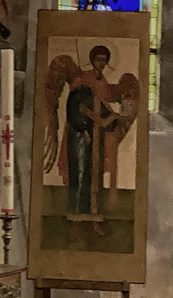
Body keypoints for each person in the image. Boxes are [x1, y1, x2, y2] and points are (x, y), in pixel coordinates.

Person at [42, 45, 141, 235]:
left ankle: (95, 220)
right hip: (78, 135)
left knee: (94, 178)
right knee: (78, 176)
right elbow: (74, 106)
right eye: (98, 59)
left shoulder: (105, 85)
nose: (100, 63)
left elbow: (109, 110)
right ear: (92, 59)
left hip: (97, 138)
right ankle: (75, 221)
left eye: (104, 60)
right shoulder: (80, 79)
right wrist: (85, 127)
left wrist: (115, 118)